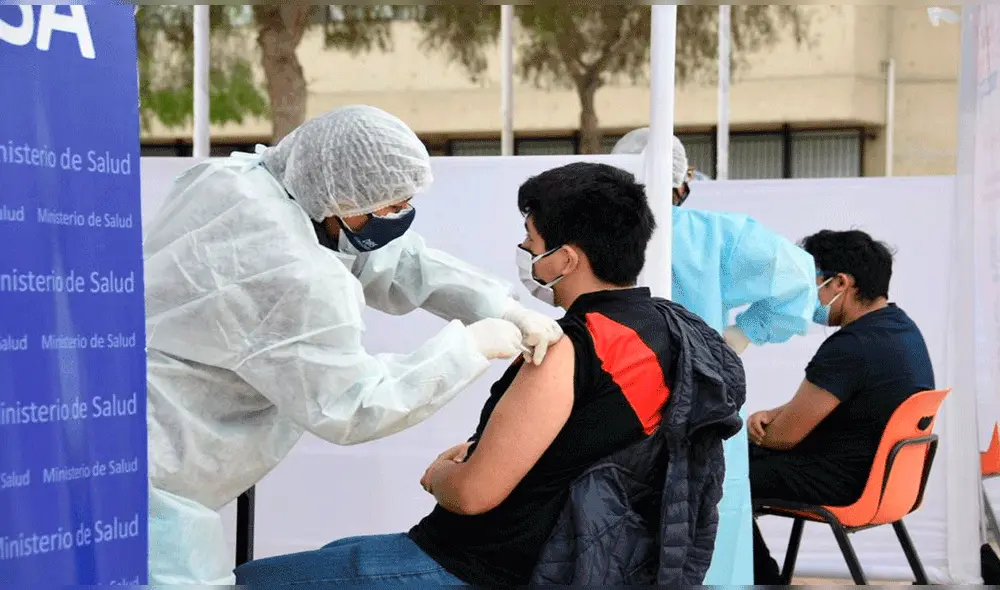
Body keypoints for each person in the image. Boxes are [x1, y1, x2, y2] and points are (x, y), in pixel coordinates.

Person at [234, 162, 745, 587]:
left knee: (247, 580)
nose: (525, 251)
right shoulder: (672, 330)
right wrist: (485, 449)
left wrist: (439, 475)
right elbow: (587, 443)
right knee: (339, 552)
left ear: (565, 258)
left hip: (480, 566)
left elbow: (474, 494)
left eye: (531, 238)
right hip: (571, 563)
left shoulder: (570, 345)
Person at [143, 105, 564, 585]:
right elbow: (355, 405)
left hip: (125, 421)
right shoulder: (291, 274)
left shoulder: (239, 182)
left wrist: (498, 305)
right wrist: (468, 348)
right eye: (385, 206)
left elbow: (396, 262)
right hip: (160, 467)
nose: (397, 217)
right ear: (337, 196)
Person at [611, 128, 818, 585]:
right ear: (681, 183)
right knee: (708, 534)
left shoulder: (596, 239)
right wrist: (741, 335)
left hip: (617, 400)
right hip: (701, 401)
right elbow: (800, 278)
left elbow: (538, 277)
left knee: (611, 533)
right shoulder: (717, 237)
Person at [748, 229, 935, 584]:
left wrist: (757, 432)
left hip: (841, 482)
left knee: (716, 476)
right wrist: (777, 413)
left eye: (811, 281)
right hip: (883, 481)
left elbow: (783, 439)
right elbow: (845, 395)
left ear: (840, 283)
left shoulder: (850, 346)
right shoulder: (900, 329)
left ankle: (763, 581)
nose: (807, 294)